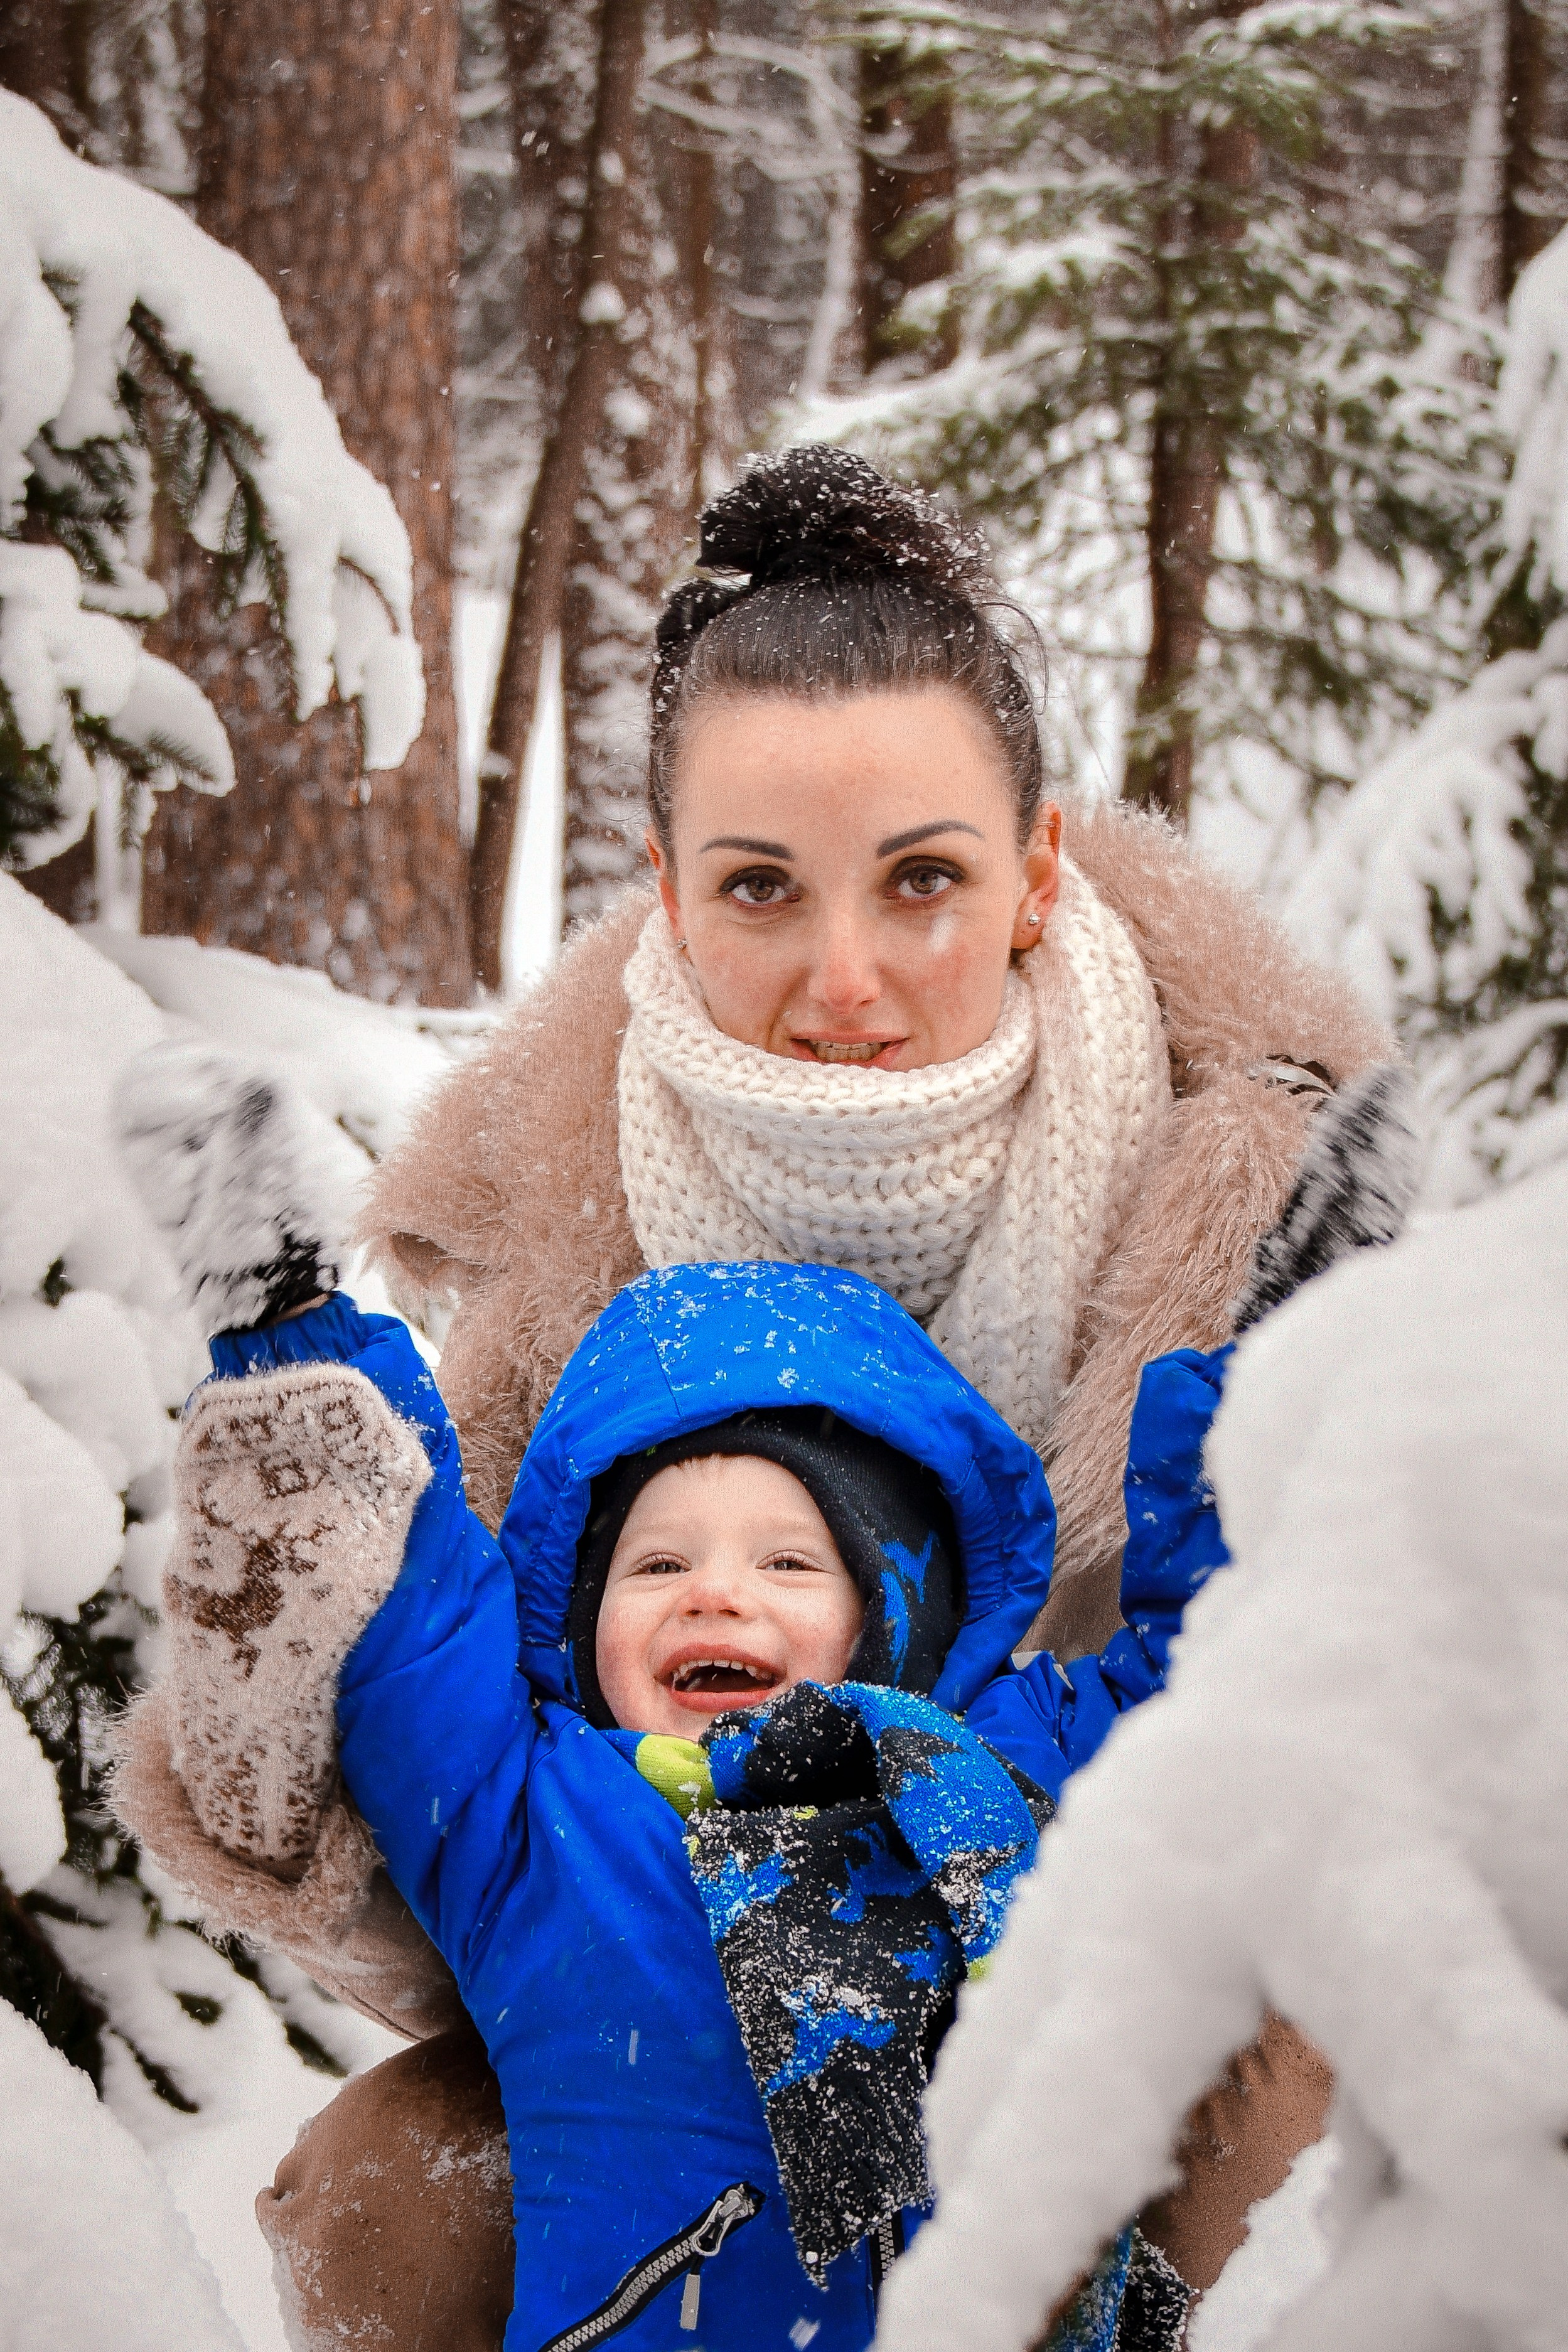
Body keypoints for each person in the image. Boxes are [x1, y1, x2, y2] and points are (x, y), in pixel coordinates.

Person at [114, 443, 1383, 2339]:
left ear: (1037, 868)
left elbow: (1348, 1700)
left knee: (1276, 2097)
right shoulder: (552, 1250)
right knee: (381, 2187)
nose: (845, 978)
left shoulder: (1243, 1191)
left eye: (925, 880)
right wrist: (295, 1592)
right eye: (765, 886)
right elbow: (448, 1769)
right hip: (675, 2038)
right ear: (669, 895)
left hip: (1162, 1978)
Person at [125, 1250, 1235, 2352]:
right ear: (581, 1617)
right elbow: (409, 1613)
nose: (714, 1590)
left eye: (791, 1565)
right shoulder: (534, 1821)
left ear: (900, 1608)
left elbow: (1218, 1663)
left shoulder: (1009, 1761)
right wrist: (294, 1327)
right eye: (654, 1566)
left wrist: (1272, 1362)